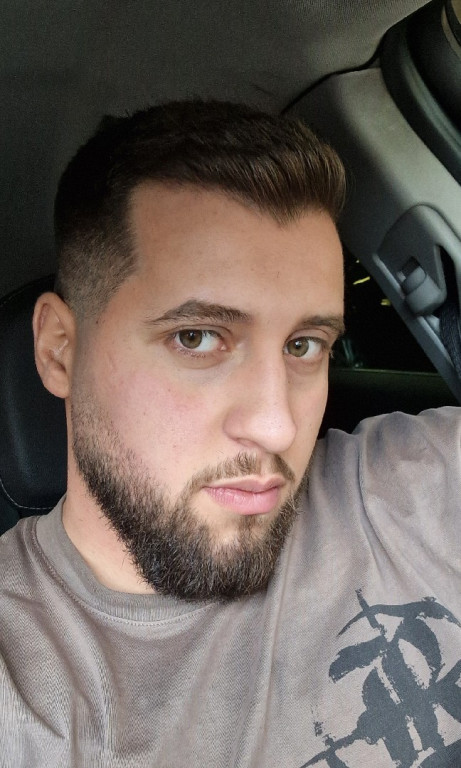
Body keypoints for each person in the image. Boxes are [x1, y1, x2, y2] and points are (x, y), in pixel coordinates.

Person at [1, 100, 460, 768]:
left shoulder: (413, 490)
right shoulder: (21, 686)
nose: (277, 426)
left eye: (304, 345)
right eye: (197, 338)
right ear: (59, 351)